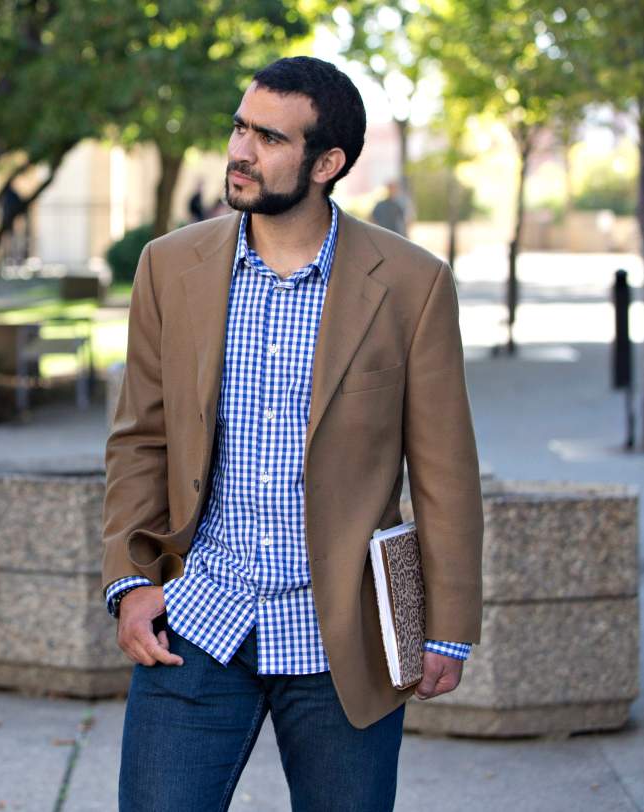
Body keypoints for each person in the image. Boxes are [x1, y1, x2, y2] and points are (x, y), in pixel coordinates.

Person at [102, 57, 483, 811]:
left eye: (269, 138)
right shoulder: (168, 266)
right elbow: (140, 439)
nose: (240, 151)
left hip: (342, 634)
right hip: (198, 620)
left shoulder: (411, 283)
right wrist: (129, 583)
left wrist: (449, 626)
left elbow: (445, 471)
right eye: (240, 127)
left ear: (326, 163)